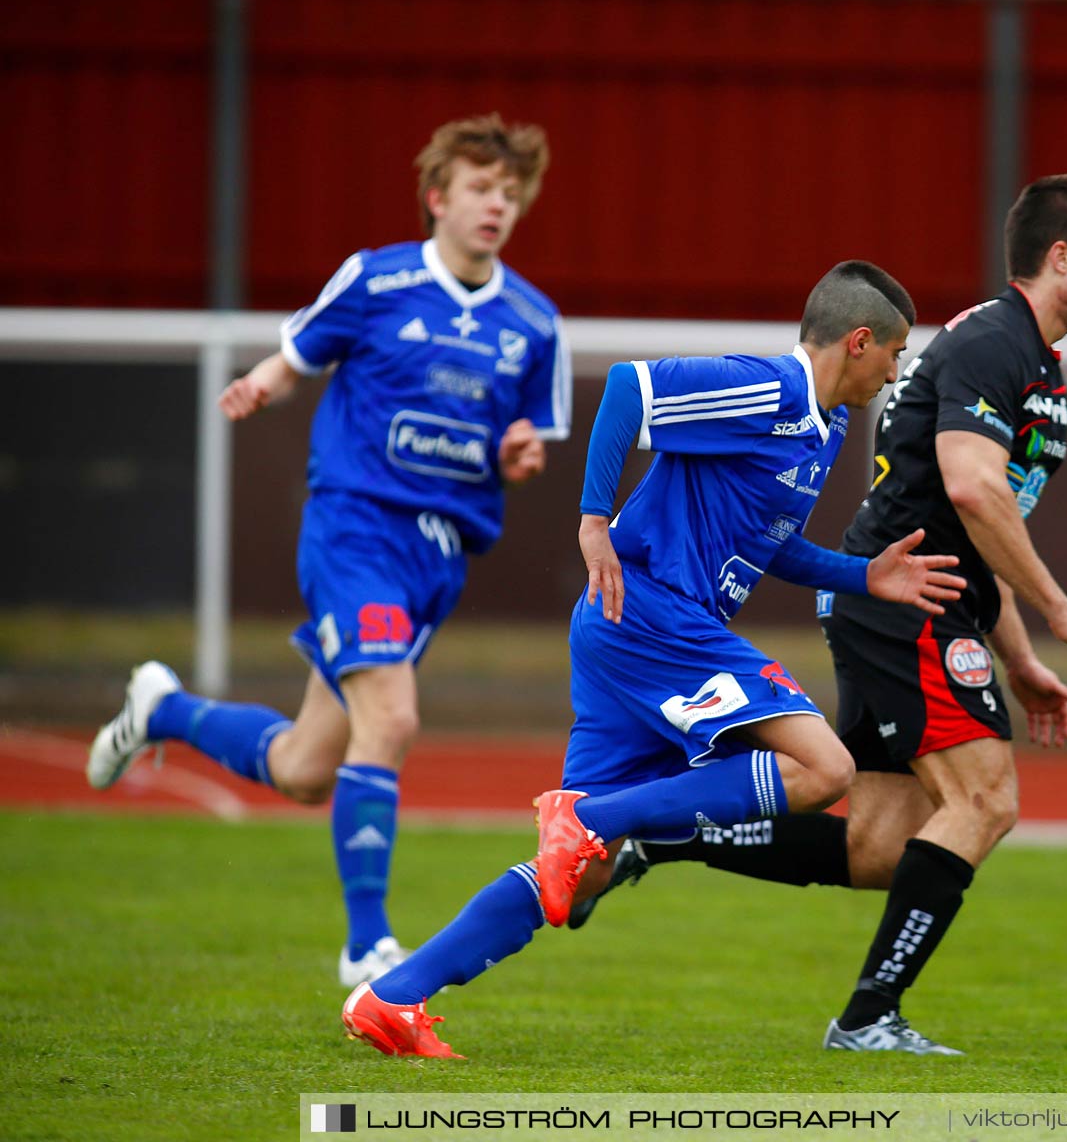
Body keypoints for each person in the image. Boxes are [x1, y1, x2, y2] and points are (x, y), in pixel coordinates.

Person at [571, 174, 1067, 1055]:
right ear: (1059, 258)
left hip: (916, 601)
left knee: (880, 847)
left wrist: (1021, 656)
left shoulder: (1036, 365)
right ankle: (869, 1017)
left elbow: (977, 531)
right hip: (900, 609)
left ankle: (660, 838)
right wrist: (1059, 606)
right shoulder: (995, 341)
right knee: (985, 801)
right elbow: (969, 487)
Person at [340, 260, 969, 1058]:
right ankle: (589, 818)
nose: (896, 369)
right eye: (895, 351)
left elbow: (771, 548)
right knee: (825, 768)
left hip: (633, 631)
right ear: (858, 341)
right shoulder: (768, 388)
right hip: (651, 615)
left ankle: (393, 997)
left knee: (585, 874)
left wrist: (864, 575)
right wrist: (593, 517)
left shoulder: (825, 426)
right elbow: (630, 389)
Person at [85, 114, 568, 988]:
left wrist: (519, 453)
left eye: (509, 193)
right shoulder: (379, 279)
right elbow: (297, 354)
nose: (496, 205)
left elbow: (523, 438)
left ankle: (163, 713)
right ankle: (368, 943)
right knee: (394, 719)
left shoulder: (532, 322)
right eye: (479, 189)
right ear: (438, 197)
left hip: (440, 557)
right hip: (356, 529)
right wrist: (257, 386)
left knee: (309, 767)